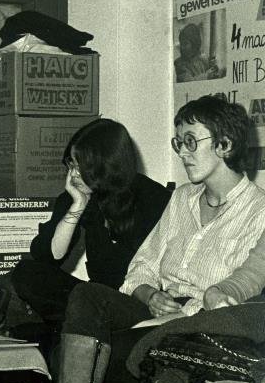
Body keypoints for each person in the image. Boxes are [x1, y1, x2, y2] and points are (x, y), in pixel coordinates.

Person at [55, 95, 265, 383]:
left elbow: (237, 294)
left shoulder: (259, 211)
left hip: (199, 323)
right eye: (177, 142)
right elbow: (141, 266)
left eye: (191, 142)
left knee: (96, 351)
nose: (182, 152)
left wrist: (174, 317)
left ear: (225, 145)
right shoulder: (181, 199)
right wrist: (148, 295)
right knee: (88, 295)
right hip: (156, 307)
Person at [12, 119, 171, 327]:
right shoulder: (78, 195)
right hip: (94, 298)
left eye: (82, 167)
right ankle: (78, 325)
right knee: (27, 274)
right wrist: (78, 205)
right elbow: (48, 257)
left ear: (106, 165)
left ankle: (79, 325)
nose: (74, 174)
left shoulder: (152, 197)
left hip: (136, 302)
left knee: (85, 300)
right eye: (72, 164)